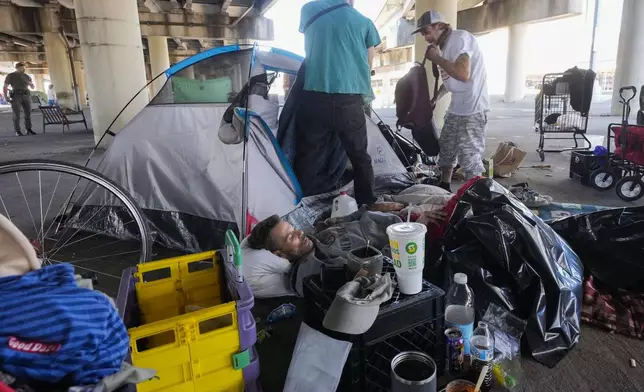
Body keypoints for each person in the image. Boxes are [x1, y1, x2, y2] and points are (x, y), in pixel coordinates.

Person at [295, 0, 381, 208]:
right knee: (360, 156)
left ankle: (302, 203)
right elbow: (368, 64)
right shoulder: (365, 23)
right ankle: (366, 203)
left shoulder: (308, 10)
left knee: (309, 155)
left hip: (315, 97)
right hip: (349, 101)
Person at [413, 11, 489, 192]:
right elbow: (451, 80)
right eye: (422, 33)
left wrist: (437, 58)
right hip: (456, 109)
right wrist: (435, 98)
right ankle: (445, 185)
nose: (425, 37)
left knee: (469, 158)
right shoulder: (443, 46)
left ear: (439, 26)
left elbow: (462, 74)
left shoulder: (461, 38)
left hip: (473, 109)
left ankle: (480, 195)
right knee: (446, 150)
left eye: (426, 31)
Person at [3, 63, 36, 136]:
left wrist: (30, 84)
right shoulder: (11, 76)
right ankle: (17, 131)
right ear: (17, 68)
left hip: (26, 95)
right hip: (16, 96)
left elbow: (32, 87)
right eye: (22, 68)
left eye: (24, 68)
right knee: (16, 114)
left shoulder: (26, 76)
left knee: (28, 113)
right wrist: (5, 96)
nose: (23, 69)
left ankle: (28, 129)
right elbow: (5, 86)